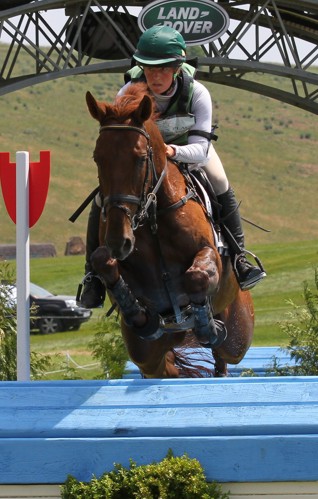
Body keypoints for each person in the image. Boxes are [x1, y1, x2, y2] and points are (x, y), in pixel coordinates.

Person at [79, 25, 266, 308]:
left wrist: (171, 150)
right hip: (143, 158)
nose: (154, 76)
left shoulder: (197, 93)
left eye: (162, 69)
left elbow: (201, 149)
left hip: (189, 151)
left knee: (219, 181)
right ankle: (92, 275)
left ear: (177, 67)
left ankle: (239, 257)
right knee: (100, 197)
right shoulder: (128, 91)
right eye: (149, 68)